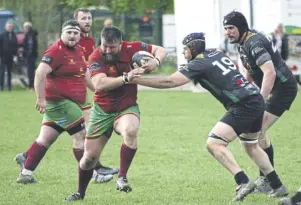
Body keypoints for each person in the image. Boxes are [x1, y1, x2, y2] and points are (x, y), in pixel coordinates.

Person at [128, 32, 288, 201]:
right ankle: (278, 186)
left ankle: (242, 181)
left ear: (193, 47)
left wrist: (137, 80)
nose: (183, 52)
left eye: (185, 49)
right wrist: (157, 61)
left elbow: (170, 82)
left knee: (214, 143)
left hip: (243, 104)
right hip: (255, 98)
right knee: (251, 146)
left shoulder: (199, 63)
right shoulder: (215, 52)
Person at [64, 25, 167, 201]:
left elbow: (160, 50)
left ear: (121, 43)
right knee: (89, 159)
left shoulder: (132, 48)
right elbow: (99, 84)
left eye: (112, 46)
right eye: (105, 45)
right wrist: (126, 78)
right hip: (102, 110)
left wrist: (156, 62)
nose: (107, 50)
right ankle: (80, 193)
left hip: (126, 107)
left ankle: (122, 177)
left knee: (131, 130)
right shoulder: (96, 56)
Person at [13, 19, 102, 184]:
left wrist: (98, 91)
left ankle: (26, 172)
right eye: (69, 32)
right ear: (62, 33)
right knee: (80, 135)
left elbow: (84, 75)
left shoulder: (79, 50)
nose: (73, 36)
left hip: (68, 104)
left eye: (76, 33)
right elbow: (40, 73)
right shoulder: (55, 51)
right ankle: (94, 173)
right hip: (60, 104)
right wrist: (40, 99)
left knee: (45, 139)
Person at [223, 11, 297, 193]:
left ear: (241, 27)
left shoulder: (254, 42)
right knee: (256, 131)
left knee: (257, 131)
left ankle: (268, 181)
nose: (228, 32)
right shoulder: (243, 43)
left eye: (231, 28)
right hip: (272, 89)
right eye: (225, 29)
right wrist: (245, 91)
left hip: (282, 89)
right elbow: (249, 69)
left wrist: (260, 101)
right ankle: (268, 180)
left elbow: (270, 72)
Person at [74, 7, 118, 182]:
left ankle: (27, 160)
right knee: (82, 134)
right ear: (75, 21)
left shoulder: (92, 40)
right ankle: (95, 172)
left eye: (89, 18)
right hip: (71, 92)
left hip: (82, 92)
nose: (87, 21)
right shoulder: (71, 41)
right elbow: (81, 71)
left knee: (51, 133)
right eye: (83, 18)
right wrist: (100, 88)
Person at [0, 21, 18, 91]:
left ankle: (9, 86)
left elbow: (16, 46)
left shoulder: (14, 35)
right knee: (2, 71)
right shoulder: (2, 35)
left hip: (11, 56)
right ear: (6, 27)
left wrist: (15, 55)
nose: (10, 27)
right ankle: (1, 86)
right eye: (9, 26)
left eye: (11, 26)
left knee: (9, 72)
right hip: (3, 56)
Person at [23, 21, 38, 91]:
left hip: (32, 56)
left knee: (31, 71)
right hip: (28, 56)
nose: (25, 28)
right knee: (29, 72)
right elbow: (25, 45)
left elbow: (32, 45)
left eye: (26, 27)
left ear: (29, 27)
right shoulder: (27, 35)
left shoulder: (32, 34)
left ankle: (32, 86)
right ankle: (30, 86)